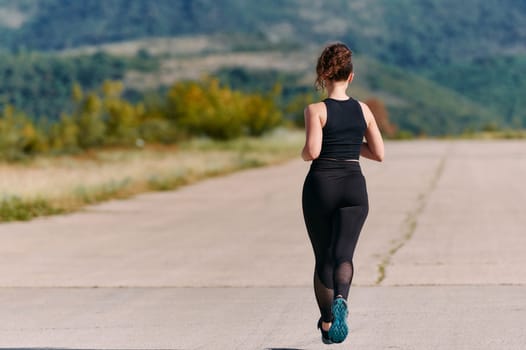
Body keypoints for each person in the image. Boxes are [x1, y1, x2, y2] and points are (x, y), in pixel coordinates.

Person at [301, 42, 384, 344]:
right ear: (351, 76)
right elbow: (378, 153)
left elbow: (313, 151)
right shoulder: (364, 110)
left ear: (323, 76)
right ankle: (342, 298)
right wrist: (350, 147)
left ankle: (326, 322)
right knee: (344, 255)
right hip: (353, 185)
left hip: (322, 185)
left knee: (324, 256)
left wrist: (303, 152)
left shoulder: (316, 110)